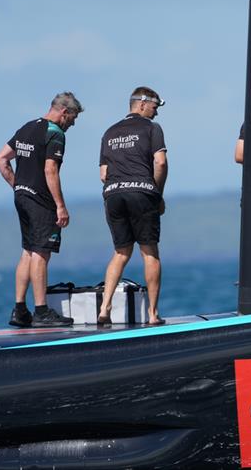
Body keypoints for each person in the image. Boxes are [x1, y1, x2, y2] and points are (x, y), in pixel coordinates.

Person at [0, 92, 83, 327]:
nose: (72, 124)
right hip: (41, 201)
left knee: (27, 251)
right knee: (41, 253)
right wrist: (61, 206)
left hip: (21, 197)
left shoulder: (26, 128)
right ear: (64, 112)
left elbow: (1, 159)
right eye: (72, 119)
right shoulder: (55, 133)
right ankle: (42, 311)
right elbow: (50, 170)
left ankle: (20, 310)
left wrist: (19, 186)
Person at [97, 86, 168, 326]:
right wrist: (157, 195)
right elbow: (160, 162)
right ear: (141, 104)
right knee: (149, 252)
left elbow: (103, 173)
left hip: (113, 194)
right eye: (155, 107)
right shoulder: (152, 128)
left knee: (120, 252)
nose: (156, 113)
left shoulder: (109, 132)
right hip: (141, 191)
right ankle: (152, 314)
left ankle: (104, 309)